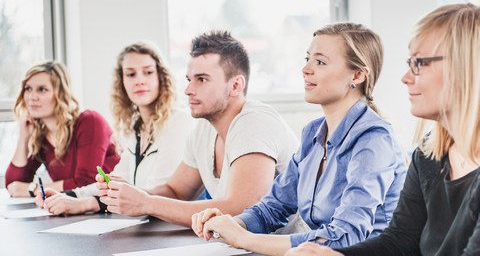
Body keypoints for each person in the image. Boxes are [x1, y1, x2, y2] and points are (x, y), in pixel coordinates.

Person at [192, 23, 408, 255]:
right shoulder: (313, 134)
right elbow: (272, 207)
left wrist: (245, 239)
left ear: (357, 75)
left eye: (320, 62)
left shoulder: (373, 140)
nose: (306, 69)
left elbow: (346, 236)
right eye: (307, 59)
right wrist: (233, 223)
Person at [285, 3, 480, 256]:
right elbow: (400, 241)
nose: (405, 77)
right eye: (410, 62)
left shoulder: (374, 138)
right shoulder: (428, 156)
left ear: (465, 66)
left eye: (419, 63)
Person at [97, 30, 299, 227]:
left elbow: (242, 210)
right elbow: (175, 191)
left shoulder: (254, 123)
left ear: (236, 86)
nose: (188, 90)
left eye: (201, 79)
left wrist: (147, 203)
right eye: (189, 79)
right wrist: (129, 193)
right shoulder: (204, 129)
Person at [33, 42, 194, 215]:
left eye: (148, 72)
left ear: (161, 77)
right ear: (122, 82)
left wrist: (88, 204)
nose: (139, 80)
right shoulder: (136, 127)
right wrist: (66, 196)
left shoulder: (179, 121)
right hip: (142, 228)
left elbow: (154, 194)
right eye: (131, 74)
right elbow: (116, 181)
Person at [5, 61, 119, 197]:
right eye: (28, 89)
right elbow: (13, 184)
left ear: (60, 94)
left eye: (42, 89)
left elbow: (87, 183)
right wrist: (23, 137)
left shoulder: (90, 122)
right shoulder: (40, 135)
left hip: (113, 207)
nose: (32, 97)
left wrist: (33, 189)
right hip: (76, 210)